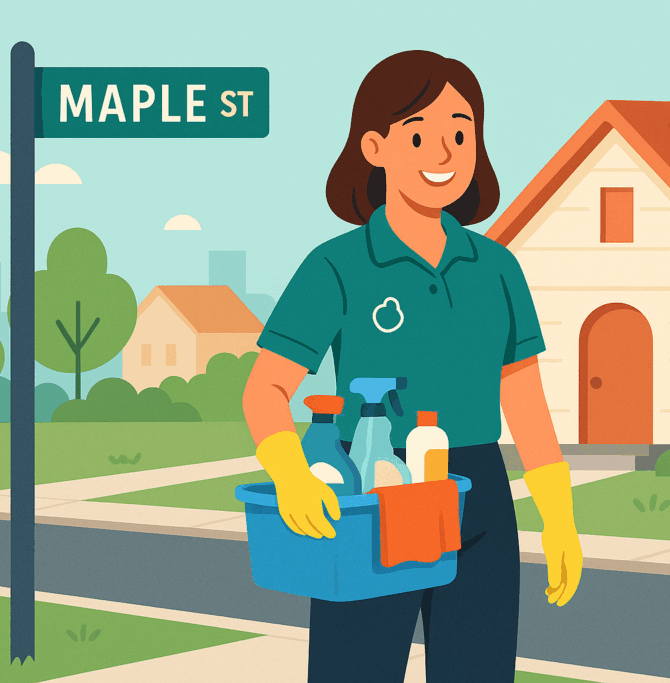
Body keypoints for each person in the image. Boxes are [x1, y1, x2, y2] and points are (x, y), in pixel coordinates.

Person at [241, 49, 583, 683]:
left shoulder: (498, 270)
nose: (444, 153)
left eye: (460, 132)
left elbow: (525, 402)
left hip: (478, 495)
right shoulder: (337, 266)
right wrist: (290, 472)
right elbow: (266, 387)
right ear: (374, 146)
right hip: (372, 492)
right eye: (419, 133)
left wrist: (557, 514)